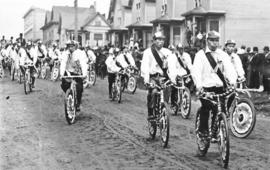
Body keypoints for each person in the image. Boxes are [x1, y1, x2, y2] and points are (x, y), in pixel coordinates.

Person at [192, 31, 237, 155]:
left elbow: (230, 69)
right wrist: (199, 86)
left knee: (221, 110)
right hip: (206, 88)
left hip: (219, 88)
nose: (215, 43)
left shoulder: (222, 54)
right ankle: (203, 133)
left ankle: (216, 131)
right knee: (206, 108)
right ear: (207, 41)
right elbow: (196, 71)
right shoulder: (200, 55)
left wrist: (233, 81)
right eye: (212, 40)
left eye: (217, 40)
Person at [141, 31, 172, 119]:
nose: (161, 42)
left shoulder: (168, 52)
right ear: (154, 41)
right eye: (158, 39)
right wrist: (146, 80)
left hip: (164, 77)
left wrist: (173, 77)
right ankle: (151, 112)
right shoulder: (148, 52)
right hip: (153, 77)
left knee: (167, 93)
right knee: (153, 92)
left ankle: (163, 109)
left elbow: (172, 66)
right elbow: (145, 66)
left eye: (162, 40)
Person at [60, 40, 88, 112]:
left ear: (75, 46)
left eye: (72, 46)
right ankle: (69, 95)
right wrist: (61, 74)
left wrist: (84, 74)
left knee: (79, 88)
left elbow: (83, 63)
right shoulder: (65, 53)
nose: (70, 48)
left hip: (77, 72)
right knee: (64, 84)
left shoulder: (80, 53)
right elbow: (63, 63)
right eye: (69, 46)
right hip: (68, 72)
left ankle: (78, 103)